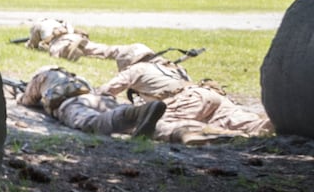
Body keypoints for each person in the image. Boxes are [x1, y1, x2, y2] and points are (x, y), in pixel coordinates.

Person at [96, 51, 273, 138]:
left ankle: (223, 134)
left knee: (152, 123)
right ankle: (281, 124)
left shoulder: (137, 68)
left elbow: (105, 92)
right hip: (208, 95)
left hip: (185, 101)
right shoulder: (174, 68)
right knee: (256, 126)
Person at [16, 65, 168, 139]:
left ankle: (136, 112)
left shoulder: (43, 77)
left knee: (92, 122)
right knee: (134, 122)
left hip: (71, 103)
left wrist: (20, 97)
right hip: (100, 99)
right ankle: (180, 133)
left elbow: (28, 100)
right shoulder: (80, 80)